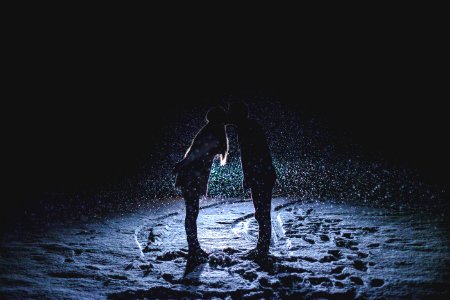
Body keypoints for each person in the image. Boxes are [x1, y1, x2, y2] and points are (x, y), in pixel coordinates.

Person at [173, 106, 228, 262]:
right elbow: (197, 153)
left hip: (193, 175)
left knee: (192, 212)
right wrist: (183, 163)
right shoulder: (212, 132)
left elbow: (197, 152)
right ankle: (193, 248)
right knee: (192, 213)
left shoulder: (212, 131)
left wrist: (183, 164)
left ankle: (194, 247)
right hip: (192, 176)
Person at [228, 102, 276, 258]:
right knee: (262, 212)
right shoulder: (249, 126)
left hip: (261, 174)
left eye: (232, 114)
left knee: (262, 212)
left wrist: (249, 176)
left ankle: (262, 250)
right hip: (262, 173)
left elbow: (250, 155)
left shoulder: (246, 129)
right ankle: (262, 247)